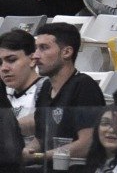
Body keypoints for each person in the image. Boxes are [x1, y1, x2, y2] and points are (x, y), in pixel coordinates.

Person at [27, 23, 103, 169]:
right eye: (36, 48)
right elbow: (40, 139)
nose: (35, 55)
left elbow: (87, 144)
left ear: (66, 52)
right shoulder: (45, 88)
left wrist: (40, 157)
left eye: (44, 48)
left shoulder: (84, 87)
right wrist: (23, 152)